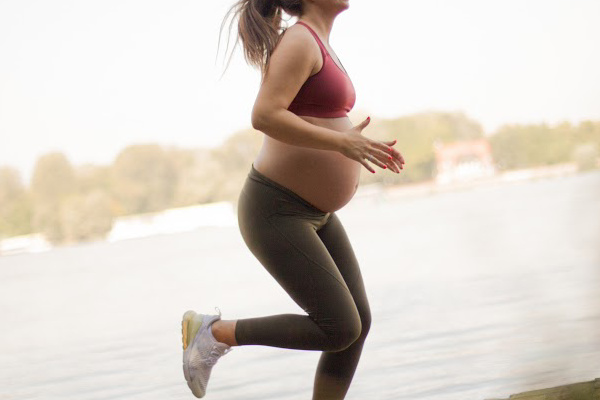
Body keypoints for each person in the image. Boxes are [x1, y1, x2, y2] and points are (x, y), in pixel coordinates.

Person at [181, 0, 405, 398]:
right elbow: (265, 114)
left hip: (314, 213)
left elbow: (317, 115)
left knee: (358, 323)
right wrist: (341, 142)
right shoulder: (300, 40)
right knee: (340, 326)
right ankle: (215, 333)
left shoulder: (319, 40)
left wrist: (362, 145)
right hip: (275, 209)